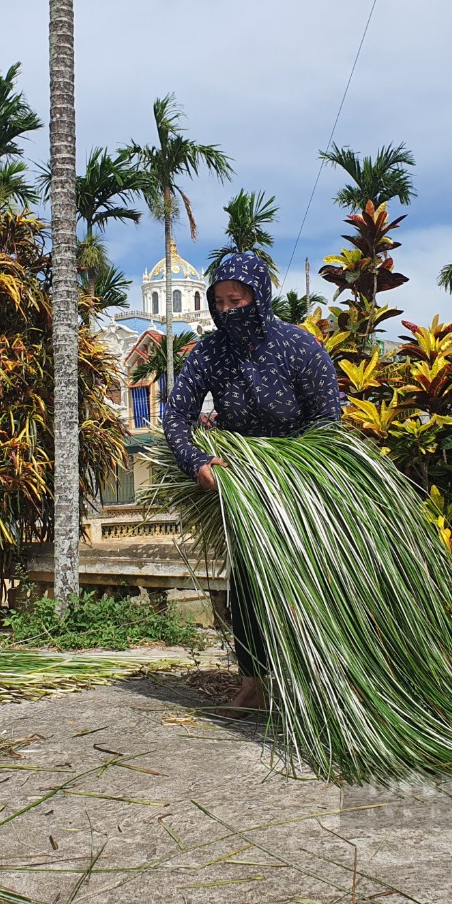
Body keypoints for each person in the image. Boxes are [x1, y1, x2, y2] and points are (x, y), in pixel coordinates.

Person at [161, 250, 341, 715]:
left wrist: (294, 469)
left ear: (258, 297)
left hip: (300, 482)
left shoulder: (300, 347)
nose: (226, 312)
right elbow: (177, 415)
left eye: (235, 301)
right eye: (218, 303)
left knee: (310, 581)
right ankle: (255, 684)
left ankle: (325, 683)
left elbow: (326, 421)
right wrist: (196, 462)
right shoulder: (211, 351)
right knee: (247, 587)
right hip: (238, 483)